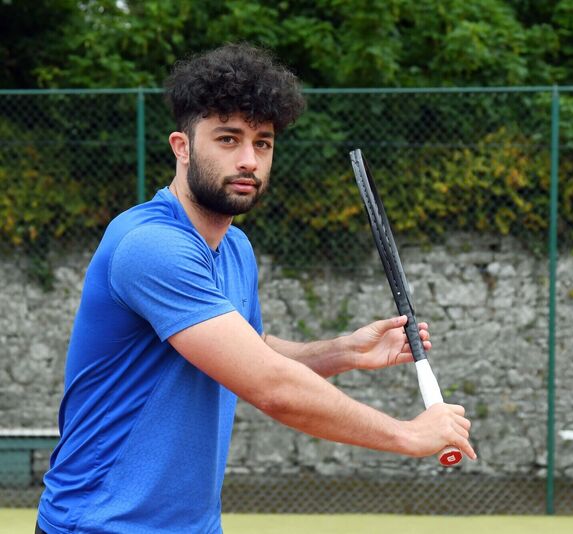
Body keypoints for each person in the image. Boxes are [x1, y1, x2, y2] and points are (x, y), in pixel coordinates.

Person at [36, 44, 475, 534]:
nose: (248, 160)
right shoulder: (152, 246)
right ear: (181, 146)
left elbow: (249, 350)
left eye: (262, 143)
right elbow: (270, 386)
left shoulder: (236, 248)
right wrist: (407, 435)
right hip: (100, 524)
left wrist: (345, 351)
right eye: (228, 139)